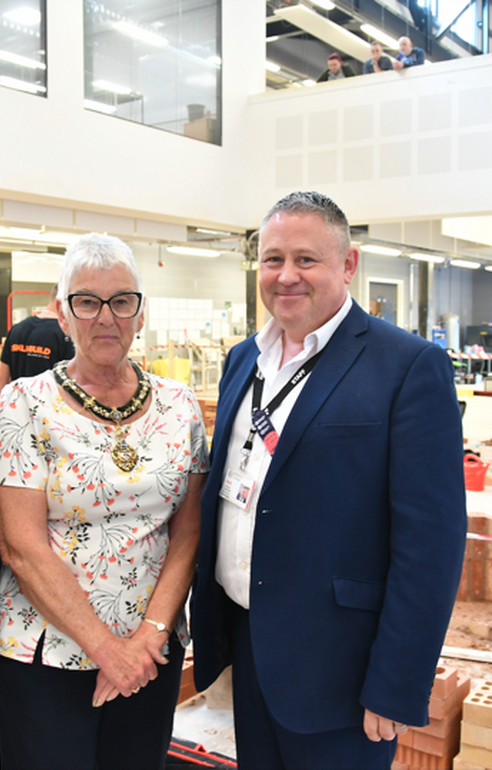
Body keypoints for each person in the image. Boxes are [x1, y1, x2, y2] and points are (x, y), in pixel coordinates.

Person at [191, 191, 466, 770]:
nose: (286, 276)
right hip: (250, 645)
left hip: (344, 671)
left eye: (306, 259)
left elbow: (431, 544)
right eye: (272, 259)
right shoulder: (245, 359)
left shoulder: (406, 367)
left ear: (348, 264)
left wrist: (396, 683)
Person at [0, 233, 209, 770]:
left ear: (141, 313)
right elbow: (21, 546)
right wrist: (108, 651)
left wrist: (147, 639)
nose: (106, 317)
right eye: (87, 301)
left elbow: (189, 531)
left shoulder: (179, 405)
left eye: (122, 300)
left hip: (151, 652)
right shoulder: (25, 403)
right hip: (45, 653)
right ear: (62, 312)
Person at [0, 283, 75, 395]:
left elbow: (1, 379)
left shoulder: (16, 330)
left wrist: (2, 408)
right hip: (49, 408)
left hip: (17, 406)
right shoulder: (65, 334)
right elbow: (71, 382)